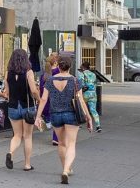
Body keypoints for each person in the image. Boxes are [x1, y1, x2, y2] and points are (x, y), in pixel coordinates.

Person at [35, 55, 92, 185]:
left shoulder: (49, 80)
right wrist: (89, 117)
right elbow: (81, 100)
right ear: (70, 66)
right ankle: (66, 170)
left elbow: (43, 99)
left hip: (55, 115)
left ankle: (65, 168)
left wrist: (38, 116)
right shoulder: (75, 80)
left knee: (61, 143)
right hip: (71, 115)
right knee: (71, 144)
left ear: (58, 66)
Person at [0, 48, 40, 172]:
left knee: (17, 135)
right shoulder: (29, 72)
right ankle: (27, 164)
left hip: (13, 106)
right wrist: (38, 98)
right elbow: (33, 90)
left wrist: (1, 94)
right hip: (27, 107)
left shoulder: (8, 73)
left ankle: (10, 153)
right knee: (27, 136)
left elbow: (7, 93)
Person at [40, 53, 60, 146]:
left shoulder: (44, 75)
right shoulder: (58, 71)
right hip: (57, 98)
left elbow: (41, 88)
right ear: (55, 62)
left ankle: (48, 122)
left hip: (46, 99)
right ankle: (56, 138)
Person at [78, 62, 101, 133]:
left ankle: (80, 123)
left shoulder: (82, 74)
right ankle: (98, 126)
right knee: (93, 110)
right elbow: (95, 83)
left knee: (82, 109)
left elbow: (80, 84)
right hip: (93, 94)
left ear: (83, 67)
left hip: (85, 94)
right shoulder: (93, 74)